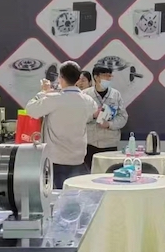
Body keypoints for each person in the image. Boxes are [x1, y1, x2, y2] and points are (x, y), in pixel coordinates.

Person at [25, 61, 99, 189]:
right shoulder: (88, 100)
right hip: (78, 158)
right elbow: (94, 110)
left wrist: (43, 92)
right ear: (78, 79)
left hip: (56, 160)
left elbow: (30, 109)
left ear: (61, 78)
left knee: (56, 196)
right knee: (76, 195)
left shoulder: (54, 99)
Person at [83, 64, 129, 169]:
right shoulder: (85, 95)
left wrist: (109, 124)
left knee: (110, 172)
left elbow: (123, 117)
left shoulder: (115, 95)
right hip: (90, 143)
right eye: (105, 76)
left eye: (110, 76)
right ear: (96, 77)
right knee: (90, 173)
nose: (108, 79)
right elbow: (77, 117)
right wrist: (93, 116)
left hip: (110, 143)